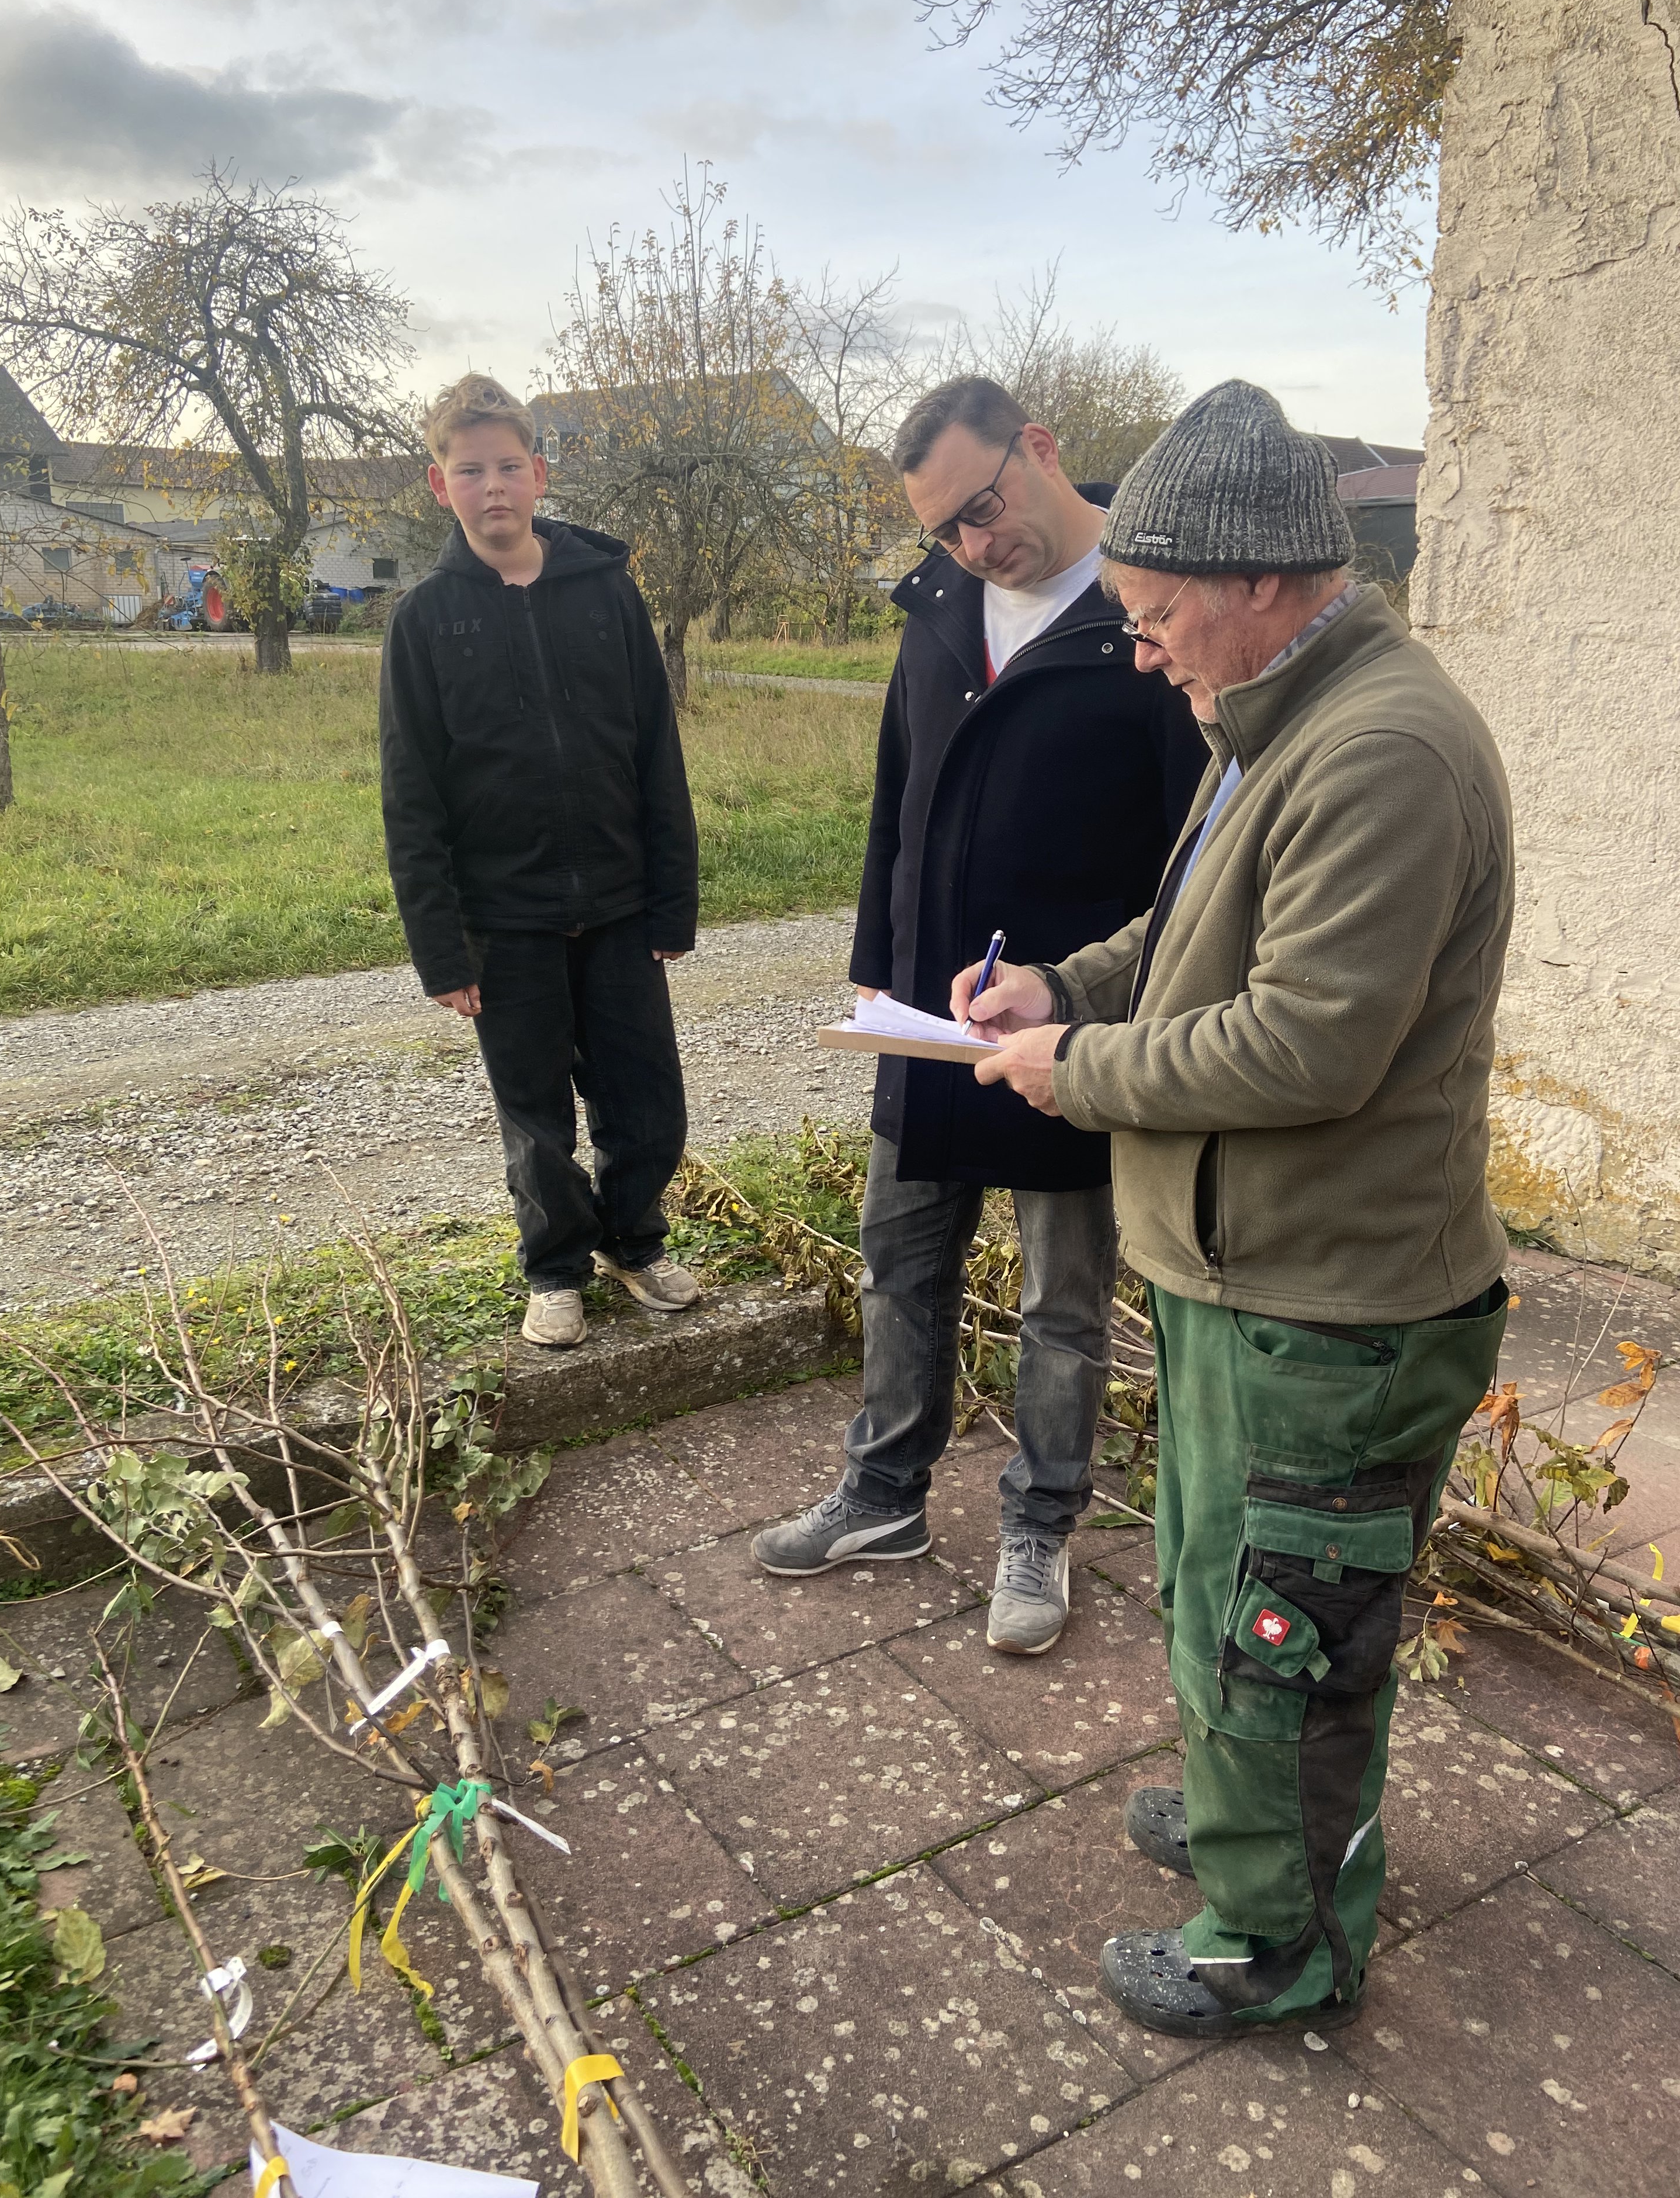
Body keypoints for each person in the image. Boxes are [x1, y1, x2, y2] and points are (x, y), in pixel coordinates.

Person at [957, 379, 1513, 2036]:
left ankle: (1280, 1944)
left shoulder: (1386, 751)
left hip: (1336, 1304)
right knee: (1224, 1587)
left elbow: (1307, 1041)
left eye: (1158, 614)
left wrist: (1080, 1073)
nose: (1144, 649)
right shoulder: (1275, 719)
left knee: (1293, 1632)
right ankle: (1249, 1831)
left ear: (1265, 582)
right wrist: (1062, 983)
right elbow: (1186, 938)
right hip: (1245, 1271)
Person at [753, 376, 1206, 1653]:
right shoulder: (942, 609)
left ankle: (1040, 1524)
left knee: (1066, 1296)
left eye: (985, 507)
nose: (972, 543)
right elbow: (897, 801)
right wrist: (872, 966)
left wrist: (1122, 1026)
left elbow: (1188, 859)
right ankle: (885, 1492)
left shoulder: (1145, 615)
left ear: (1042, 449)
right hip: (925, 1013)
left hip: (1068, 1029)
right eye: (943, 526)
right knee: (901, 1261)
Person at [379, 373, 701, 1350]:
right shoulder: (426, 619)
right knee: (535, 1115)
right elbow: (412, 795)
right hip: (504, 920)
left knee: (645, 1098)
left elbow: (656, 753)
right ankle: (555, 1266)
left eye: (509, 467)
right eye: (468, 470)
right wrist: (444, 949)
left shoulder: (606, 592)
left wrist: (668, 904)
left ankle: (634, 1242)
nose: (493, 488)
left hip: (616, 905)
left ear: (539, 474)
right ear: (441, 485)